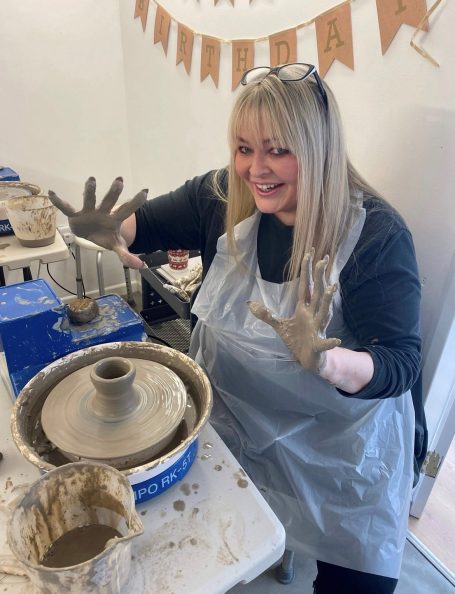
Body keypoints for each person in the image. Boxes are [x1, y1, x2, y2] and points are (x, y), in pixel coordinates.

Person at [49, 63, 427, 594]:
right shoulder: (225, 196)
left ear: (318, 147)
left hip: (342, 455)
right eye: (244, 148)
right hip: (244, 425)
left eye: (278, 149)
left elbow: (402, 363)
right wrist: (108, 232)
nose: (256, 169)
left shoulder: (374, 236)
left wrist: (327, 361)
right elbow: (142, 225)